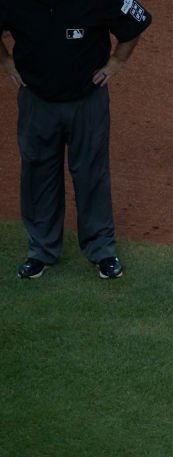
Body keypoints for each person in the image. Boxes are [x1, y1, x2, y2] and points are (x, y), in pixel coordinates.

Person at [0, 0, 153, 280]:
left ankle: (102, 250)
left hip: (87, 101)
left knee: (91, 173)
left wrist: (116, 62)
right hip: (37, 101)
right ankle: (41, 252)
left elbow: (138, 19)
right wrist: (6, 61)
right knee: (37, 173)